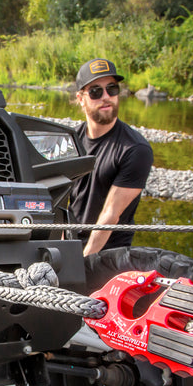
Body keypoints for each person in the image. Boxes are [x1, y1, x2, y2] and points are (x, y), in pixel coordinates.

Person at [68, 57, 153, 257]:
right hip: (71, 243)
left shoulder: (135, 149)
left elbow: (110, 215)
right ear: (81, 99)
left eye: (112, 89)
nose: (106, 97)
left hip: (109, 254)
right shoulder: (71, 140)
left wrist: (84, 261)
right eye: (96, 91)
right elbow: (61, 198)